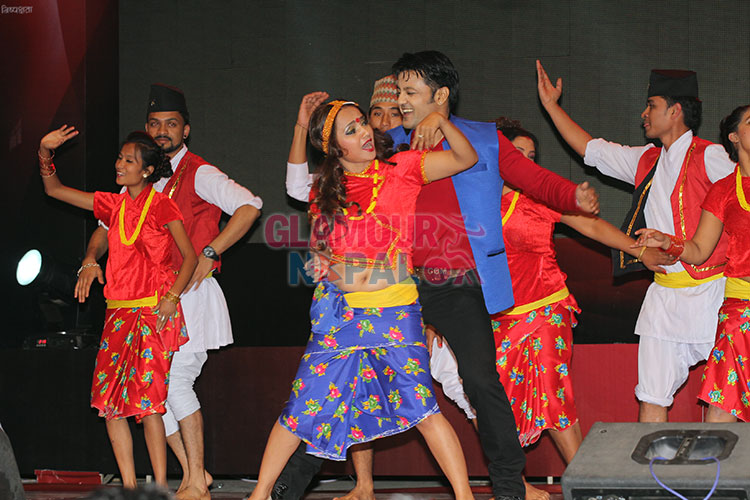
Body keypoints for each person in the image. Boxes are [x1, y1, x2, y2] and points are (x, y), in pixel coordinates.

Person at [282, 51, 600, 500]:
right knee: (343, 377)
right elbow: (309, 187)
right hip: (392, 285)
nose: (400, 101)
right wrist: (304, 129)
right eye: (398, 91)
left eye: (410, 92)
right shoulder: (385, 144)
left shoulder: (484, 138)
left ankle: (509, 488)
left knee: (480, 380)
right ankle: (288, 485)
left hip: (454, 282)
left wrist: (573, 196)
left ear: (441, 95)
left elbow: (535, 181)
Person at [248, 97, 479, 500]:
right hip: (341, 316)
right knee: (300, 409)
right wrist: (319, 261)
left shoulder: (403, 168)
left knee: (423, 410)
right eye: (351, 130)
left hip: (395, 313)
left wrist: (440, 120)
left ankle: (464, 497)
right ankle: (259, 496)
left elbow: (465, 158)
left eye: (362, 123)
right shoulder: (325, 190)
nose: (365, 133)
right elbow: (318, 238)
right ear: (334, 148)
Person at [78, 84, 263, 500]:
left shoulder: (199, 172)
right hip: (145, 303)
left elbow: (250, 205)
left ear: (186, 130)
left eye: (171, 124)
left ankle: (196, 481)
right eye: (155, 124)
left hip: (189, 295)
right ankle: (197, 475)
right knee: (152, 392)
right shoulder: (138, 180)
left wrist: (211, 250)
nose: (162, 131)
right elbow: (105, 229)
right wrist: (90, 258)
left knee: (174, 384)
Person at [536, 60, 735, 423]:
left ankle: (720, 463)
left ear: (675, 111)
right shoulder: (645, 160)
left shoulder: (711, 156)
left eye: (651, 106)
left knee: (722, 399)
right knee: (651, 397)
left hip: (713, 294)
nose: (644, 114)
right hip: (664, 298)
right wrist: (551, 106)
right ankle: (651, 463)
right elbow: (591, 150)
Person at [38, 128, 198, 488]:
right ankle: (129, 487)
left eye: (128, 160)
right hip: (117, 315)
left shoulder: (162, 205)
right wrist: (45, 154)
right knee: (110, 404)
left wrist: (172, 297)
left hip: (153, 313)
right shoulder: (112, 205)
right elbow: (55, 190)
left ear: (147, 171)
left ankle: (159, 488)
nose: (119, 164)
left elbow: (189, 257)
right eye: (119, 158)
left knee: (149, 405)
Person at [634, 104, 750, 423]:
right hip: (740, 312)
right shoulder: (724, 190)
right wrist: (666, 241)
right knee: (723, 406)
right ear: (734, 137)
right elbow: (698, 250)